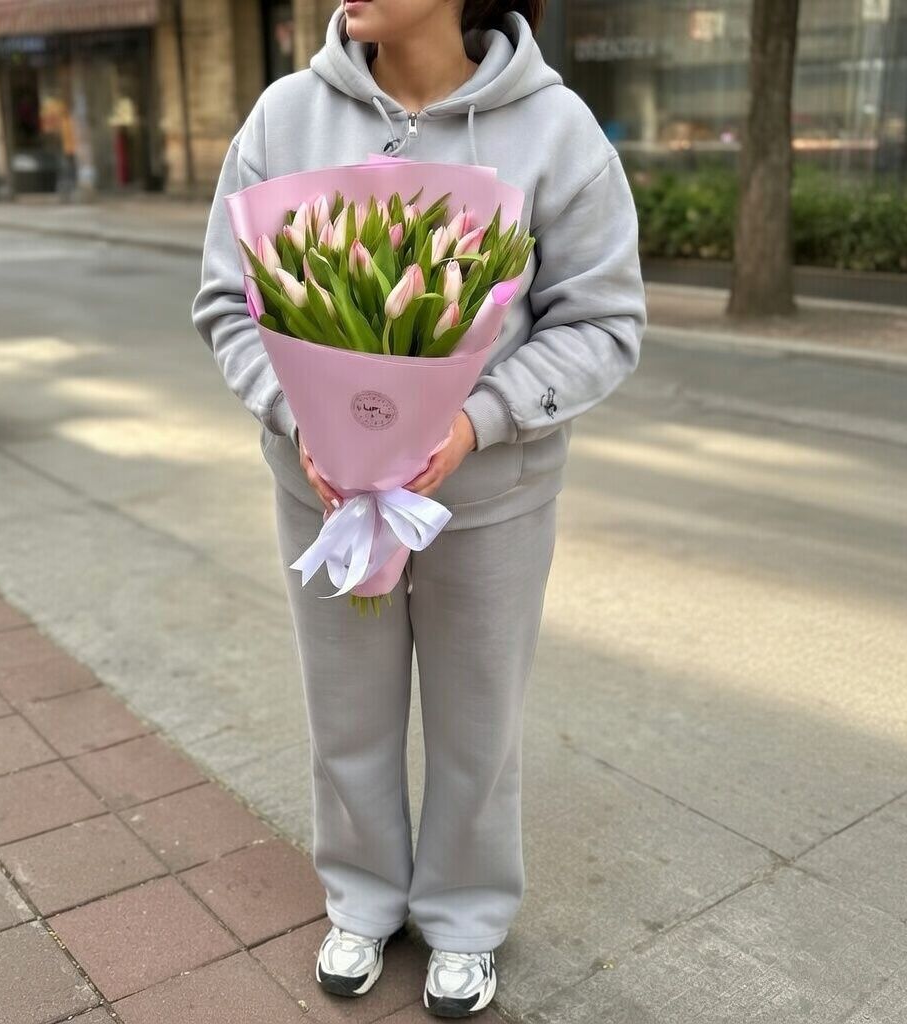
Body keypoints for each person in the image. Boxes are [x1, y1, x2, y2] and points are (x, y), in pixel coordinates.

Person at [193, 0, 646, 1015]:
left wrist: (476, 421)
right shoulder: (284, 117)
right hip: (325, 494)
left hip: (488, 501)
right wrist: (300, 419)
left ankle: (466, 918)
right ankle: (362, 899)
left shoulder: (556, 129)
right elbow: (229, 301)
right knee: (344, 710)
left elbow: (602, 320)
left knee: (477, 721)